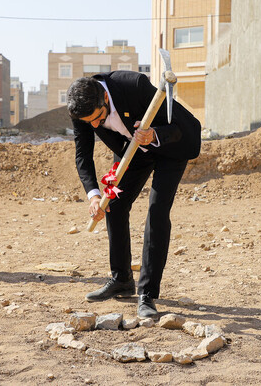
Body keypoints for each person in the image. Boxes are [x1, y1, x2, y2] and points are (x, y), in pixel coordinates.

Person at [67, 71, 201, 318]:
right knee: (114, 204)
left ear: (105, 99)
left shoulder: (135, 86)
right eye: (90, 122)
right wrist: (94, 195)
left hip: (169, 148)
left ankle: (147, 293)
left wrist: (154, 135)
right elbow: (82, 155)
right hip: (132, 151)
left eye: (98, 118)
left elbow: (181, 128)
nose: (95, 126)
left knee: (157, 210)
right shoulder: (82, 110)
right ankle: (122, 279)